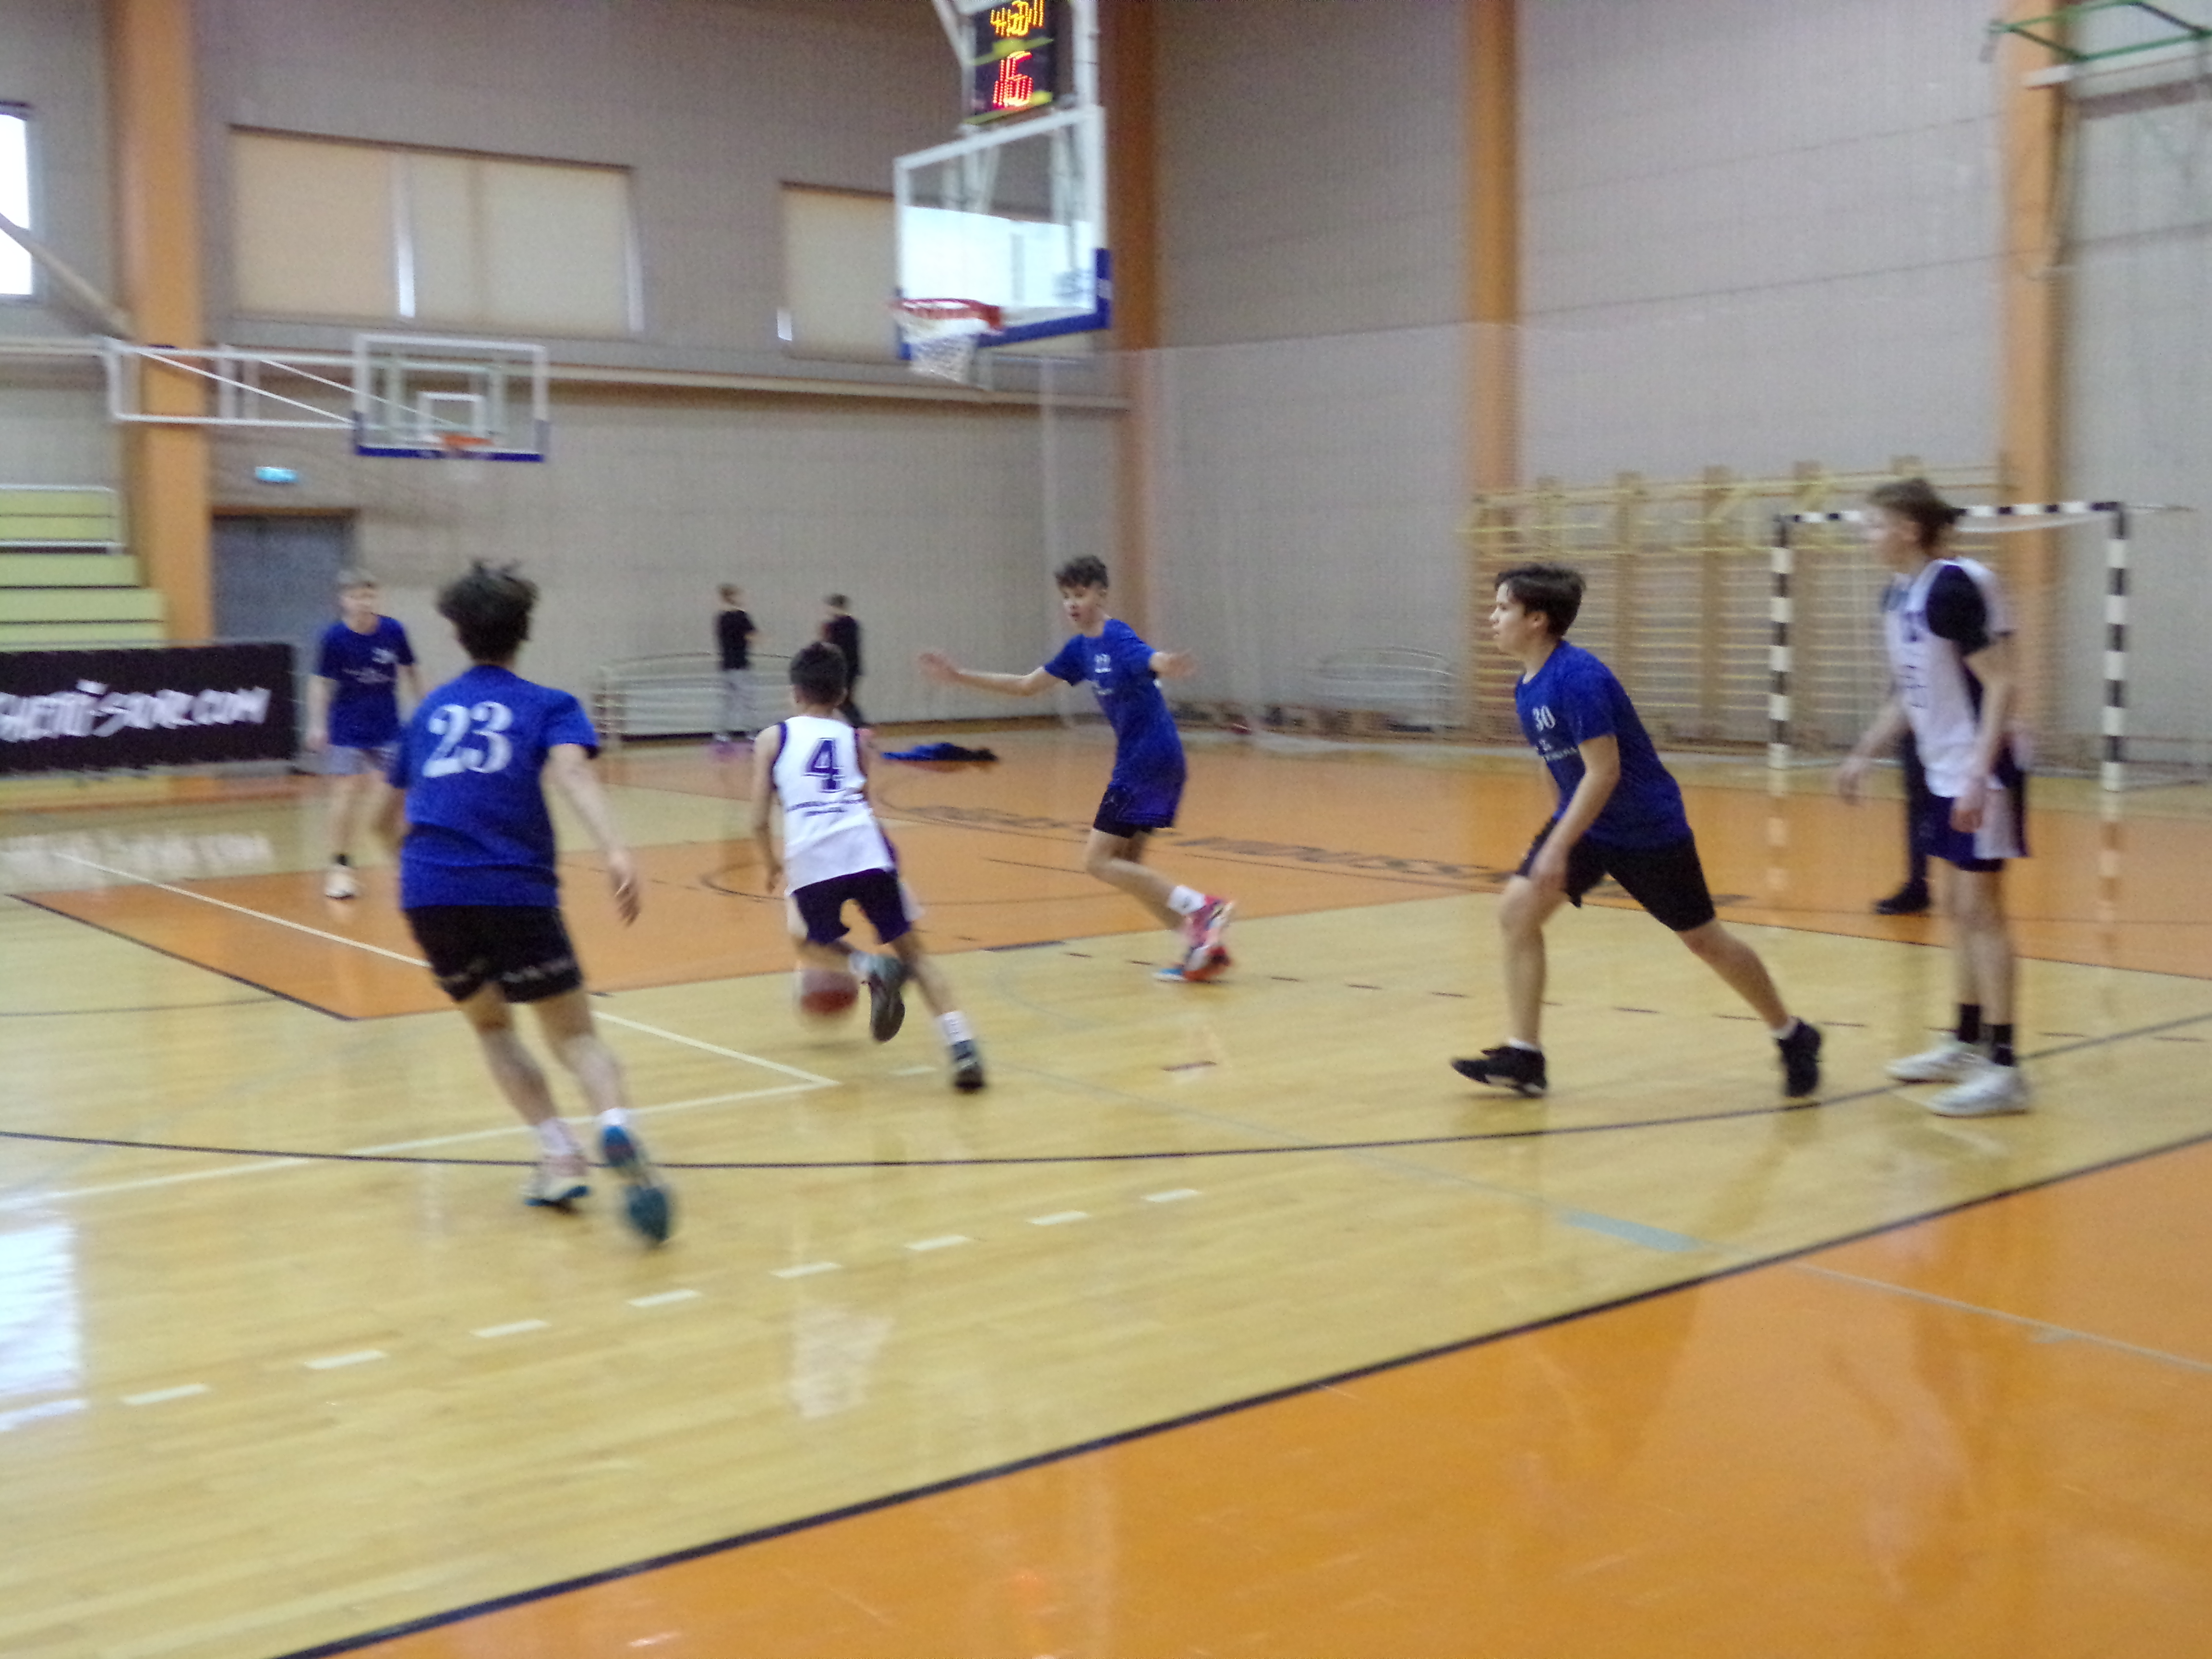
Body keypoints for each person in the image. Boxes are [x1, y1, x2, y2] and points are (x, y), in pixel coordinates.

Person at [374, 563, 673, 1241]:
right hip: (514, 888)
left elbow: (381, 823)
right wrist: (616, 849)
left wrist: (422, 876)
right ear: (525, 632)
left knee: (492, 1027)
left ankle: (558, 1153)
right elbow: (573, 774)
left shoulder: (429, 713)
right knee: (576, 1037)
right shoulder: (549, 705)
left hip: (430, 890)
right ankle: (616, 1126)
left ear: (458, 634)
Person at [1452, 563, 1822, 1100]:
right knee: (1517, 912)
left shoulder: (1579, 679)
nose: (1493, 617)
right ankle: (1525, 1054)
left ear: (1537, 620)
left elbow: (1604, 772)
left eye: (1504, 608)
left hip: (1646, 828)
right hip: (1588, 824)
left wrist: (1559, 845)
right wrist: (1558, 834)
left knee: (1705, 941)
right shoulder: (1528, 685)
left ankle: (1792, 1034)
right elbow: (1555, 764)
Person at [918, 554, 1234, 982]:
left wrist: (1167, 663)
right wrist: (959, 676)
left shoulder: (1116, 636)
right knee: (1128, 864)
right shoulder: (1080, 650)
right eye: (1066, 595)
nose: (1071, 603)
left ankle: (1202, 908)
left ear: (1101, 594)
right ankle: (1201, 946)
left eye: (1080, 594)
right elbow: (1027, 686)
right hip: (1152, 759)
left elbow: (1150, 658)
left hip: (1147, 761)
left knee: (1097, 861)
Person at [1839, 478, 2030, 1116]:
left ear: (1908, 530)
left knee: (1983, 911)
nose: (1867, 538)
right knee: (1955, 906)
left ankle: (2006, 1069)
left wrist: (1979, 771)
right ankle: (1966, 1041)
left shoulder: (1952, 587)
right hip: (1941, 768)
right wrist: (1863, 753)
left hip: (1981, 769)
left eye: (1874, 526)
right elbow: (1908, 693)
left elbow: (2001, 684)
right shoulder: (1898, 595)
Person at [751, 642, 985, 1091]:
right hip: (866, 847)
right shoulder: (855, 738)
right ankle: (962, 1046)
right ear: (842, 695)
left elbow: (758, 819)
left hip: (813, 855)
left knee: (806, 939)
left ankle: (866, 965)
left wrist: (769, 863)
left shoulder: (772, 739)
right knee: (915, 955)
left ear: (794, 693)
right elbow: (861, 798)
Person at [306, 569, 421, 900]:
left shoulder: (393, 631)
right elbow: (319, 683)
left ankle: (405, 862)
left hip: (388, 726)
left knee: (402, 794)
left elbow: (412, 671)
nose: (364, 602)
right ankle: (340, 868)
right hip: (347, 727)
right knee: (345, 794)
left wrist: (425, 710)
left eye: (369, 596)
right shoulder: (334, 638)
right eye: (357, 596)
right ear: (344, 601)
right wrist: (317, 724)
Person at [1872, 731, 1934, 915]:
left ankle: (1969, 884)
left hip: (1943, 741)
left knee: (1934, 809)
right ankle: (1917, 884)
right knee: (1918, 810)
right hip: (1919, 735)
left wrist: (1862, 753)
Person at [712, 582, 761, 757]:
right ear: (732, 597)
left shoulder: (720, 618)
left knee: (728, 703)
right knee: (747, 701)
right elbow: (754, 637)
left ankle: (722, 734)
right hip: (740, 665)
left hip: (726, 666)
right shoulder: (741, 617)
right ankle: (752, 734)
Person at [821, 595, 864, 727]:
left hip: (842, 669)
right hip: (851, 668)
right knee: (843, 701)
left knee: (843, 701)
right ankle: (857, 726)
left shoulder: (836, 626)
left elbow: (831, 647)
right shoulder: (853, 624)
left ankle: (860, 726)